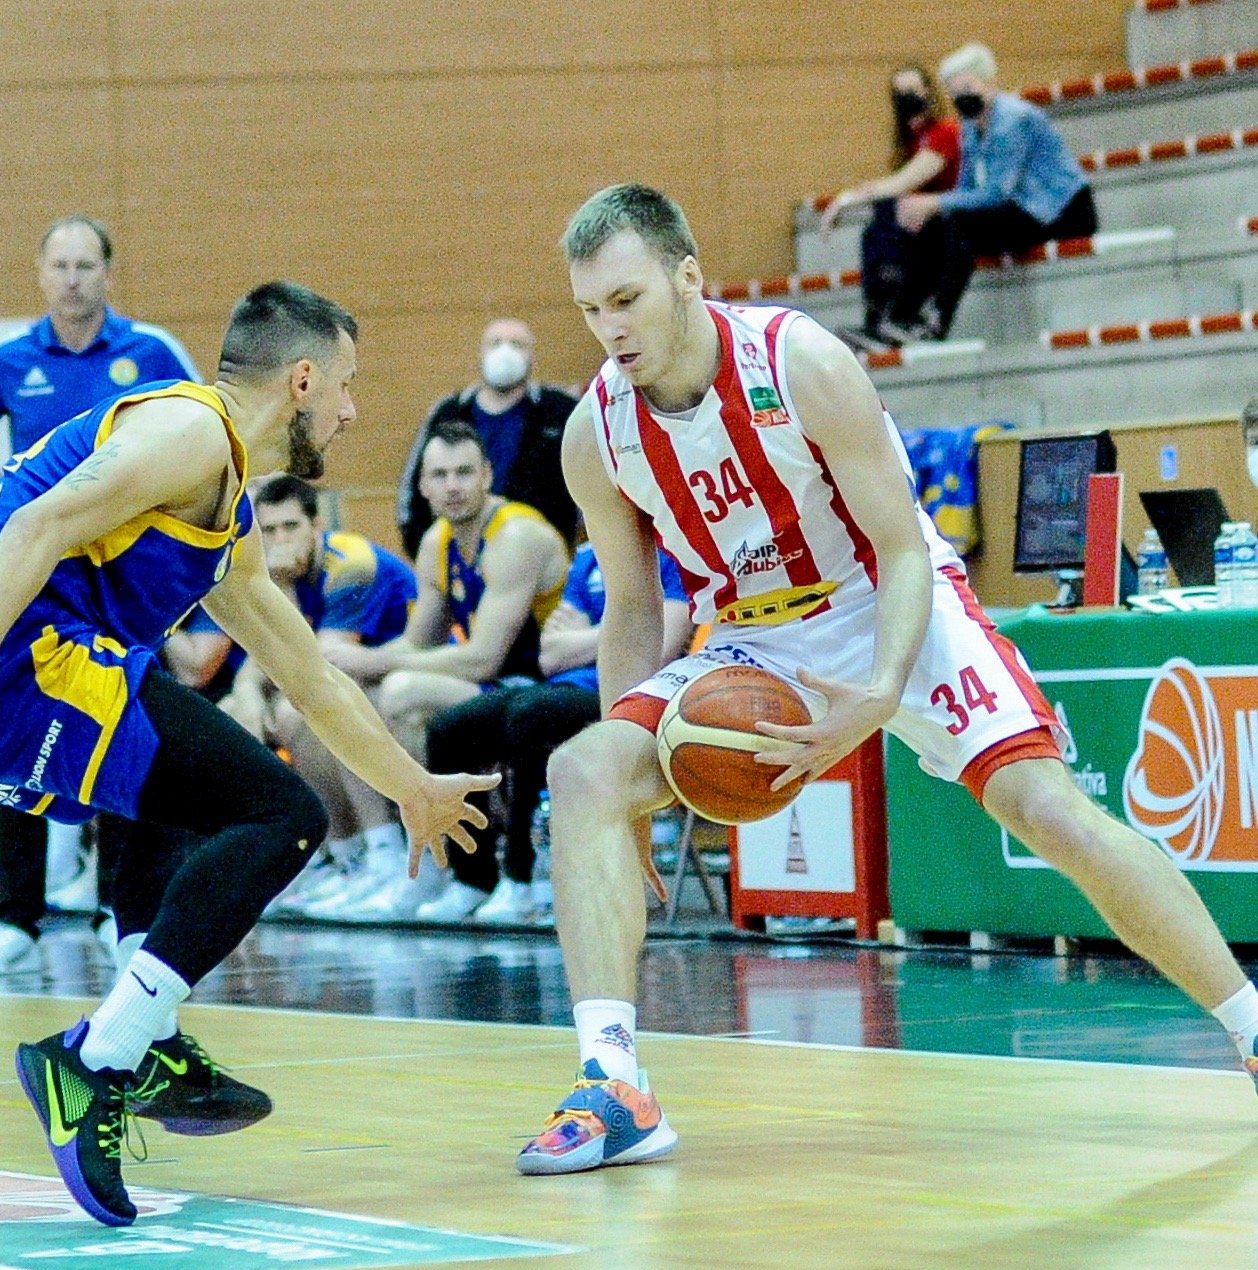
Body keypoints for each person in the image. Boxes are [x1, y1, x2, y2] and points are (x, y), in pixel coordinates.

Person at [516, 183, 1258, 1177]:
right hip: (754, 636)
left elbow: (905, 552)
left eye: (627, 299)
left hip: (883, 597)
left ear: (688, 278)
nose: (610, 330)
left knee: (1051, 814)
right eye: (590, 310)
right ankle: (614, 1085)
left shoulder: (799, 363)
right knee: (584, 775)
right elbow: (636, 608)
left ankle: (1251, 1023)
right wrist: (632, 788)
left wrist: (876, 693)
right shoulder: (595, 433)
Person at [0, 281, 494, 1224]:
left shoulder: (225, 518)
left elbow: (314, 680)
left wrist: (411, 789)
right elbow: (37, 526)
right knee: (283, 814)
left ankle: (146, 1034)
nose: (351, 410)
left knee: (165, 786)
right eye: (346, 385)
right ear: (300, 380)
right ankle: (96, 1059)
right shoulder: (192, 432)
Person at [0, 214, 201, 975]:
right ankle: (16, 917)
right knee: (14, 722)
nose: (73, 278)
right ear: (41, 273)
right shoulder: (8, 362)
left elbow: (197, 438)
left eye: (87, 264)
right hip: (32, 576)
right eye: (61, 265)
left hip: (122, 578)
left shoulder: (150, 353)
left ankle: (120, 915)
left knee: (125, 719)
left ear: (109, 274)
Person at [308, 419, 568, 921]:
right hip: (493, 687)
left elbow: (483, 656)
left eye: (464, 473)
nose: (453, 486)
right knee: (353, 695)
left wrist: (377, 660)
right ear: (423, 486)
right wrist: (359, 665)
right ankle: (383, 853)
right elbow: (418, 641)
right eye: (441, 475)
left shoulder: (515, 536)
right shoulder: (438, 542)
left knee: (403, 691)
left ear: (488, 476)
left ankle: (435, 854)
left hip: (543, 685)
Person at [419, 541, 691, 924]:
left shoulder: (673, 550)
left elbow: (659, 647)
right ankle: (472, 879)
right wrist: (621, 630)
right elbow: (550, 655)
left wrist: (588, 636)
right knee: (451, 729)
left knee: (530, 715)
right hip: (565, 687)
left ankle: (522, 875)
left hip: (637, 692)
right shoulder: (588, 557)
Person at [216, 473, 417, 913]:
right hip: (354, 676)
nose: (280, 539)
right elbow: (266, 655)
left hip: (402, 671)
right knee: (234, 713)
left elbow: (318, 661)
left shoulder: (352, 564)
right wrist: (247, 692)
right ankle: (333, 855)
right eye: (268, 531)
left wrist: (282, 590)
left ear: (316, 525)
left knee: (301, 712)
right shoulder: (278, 573)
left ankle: (377, 850)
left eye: (291, 527)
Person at [890, 42, 1097, 340]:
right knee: (935, 225)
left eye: (968, 86)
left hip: (1064, 212)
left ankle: (938, 320)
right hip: (1026, 208)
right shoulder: (972, 124)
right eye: (955, 91)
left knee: (961, 223)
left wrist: (935, 202)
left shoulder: (1013, 119)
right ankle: (902, 314)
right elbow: (966, 185)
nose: (962, 96)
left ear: (988, 82)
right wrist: (933, 209)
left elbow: (996, 192)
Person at [395, 319, 578, 555]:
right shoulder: (449, 411)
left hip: (539, 556)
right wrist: (421, 546)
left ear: (532, 357)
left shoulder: (561, 410)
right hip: (458, 555)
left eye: (516, 344)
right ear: (480, 355)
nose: (505, 352)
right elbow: (413, 484)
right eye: (495, 343)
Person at [819, 66, 962, 347]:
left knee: (888, 211)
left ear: (929, 92)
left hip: (952, 221)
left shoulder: (946, 131)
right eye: (899, 93)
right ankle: (877, 318)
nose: (906, 98)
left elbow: (904, 182)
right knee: (877, 229)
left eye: (913, 90)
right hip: (923, 222)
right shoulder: (911, 142)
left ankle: (897, 316)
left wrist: (845, 200)